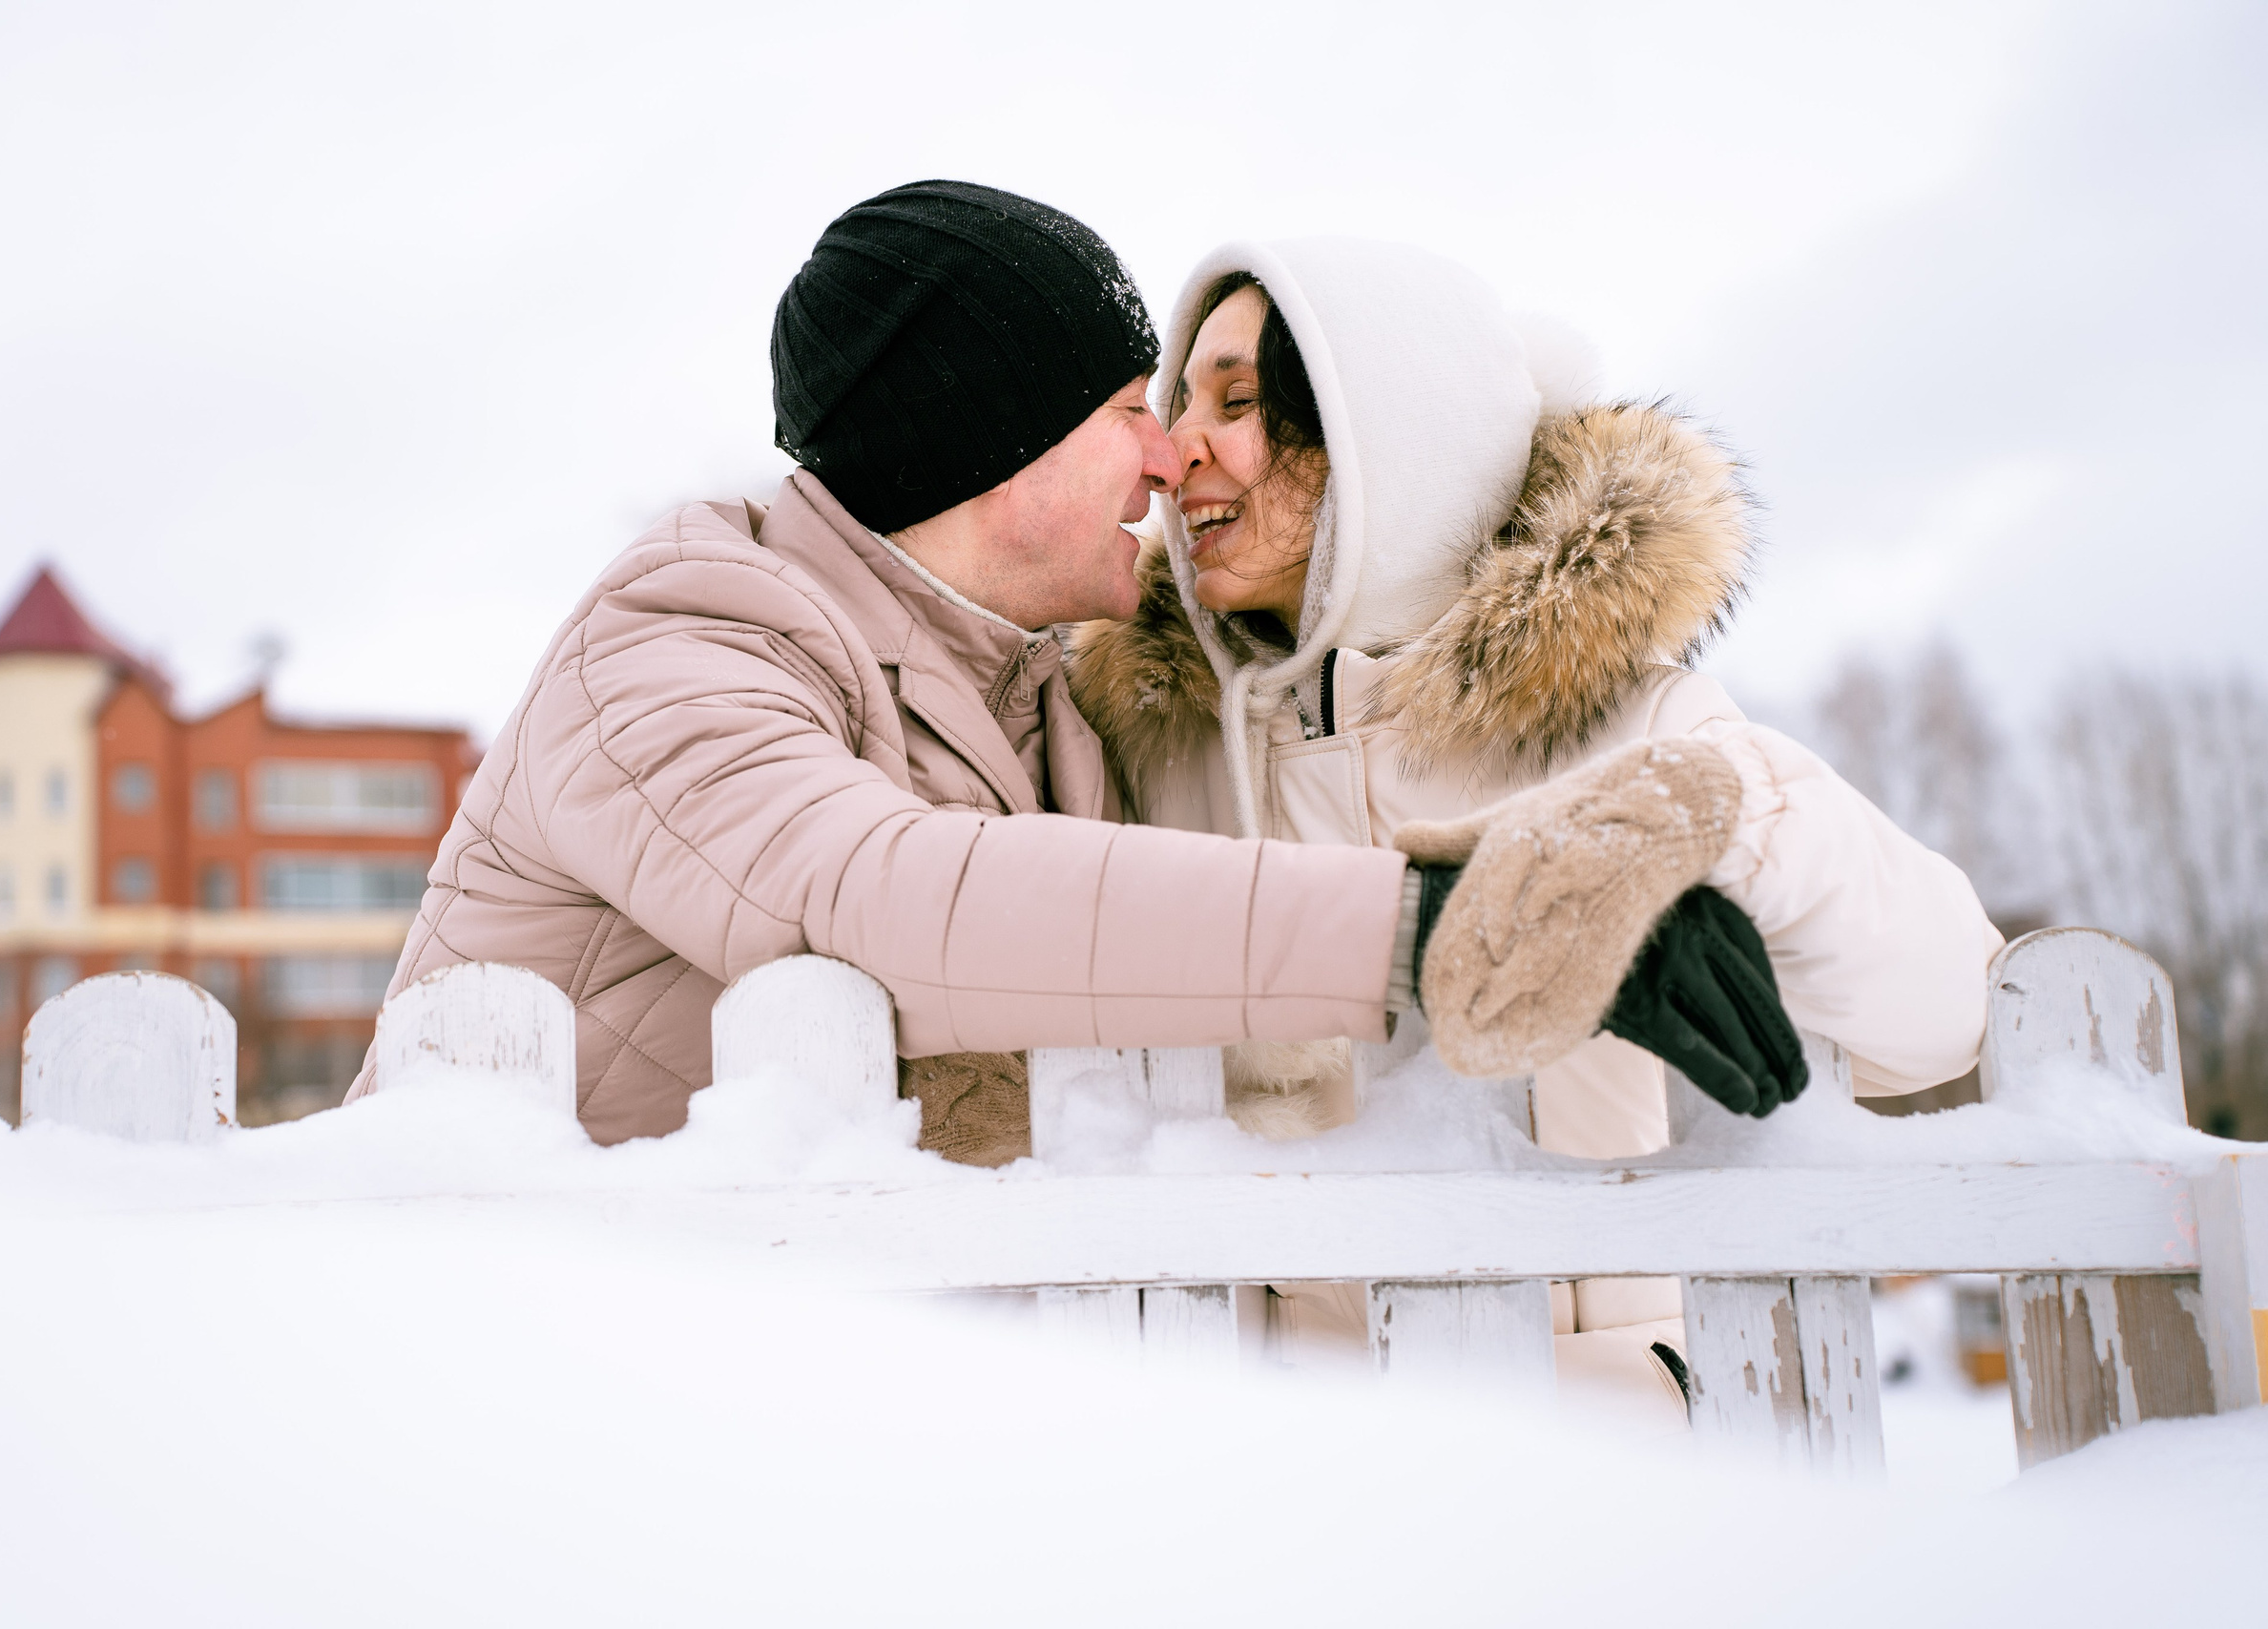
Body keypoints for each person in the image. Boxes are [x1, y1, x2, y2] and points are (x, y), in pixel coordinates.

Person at [348, 182, 1811, 1200]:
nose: (1174, 459)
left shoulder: (1051, 701)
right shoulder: (676, 643)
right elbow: (887, 896)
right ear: (988, 448)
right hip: (534, 1358)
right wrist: (1446, 927)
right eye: (1132, 415)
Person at [1066, 240, 2003, 1405]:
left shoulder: (1629, 722)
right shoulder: (1148, 754)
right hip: (1279, 1474)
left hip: (1604, 1443)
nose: (1173, 452)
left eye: (1237, 401)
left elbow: (1949, 1013)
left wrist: (1708, 819)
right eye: (1175, 403)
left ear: (1388, 443)